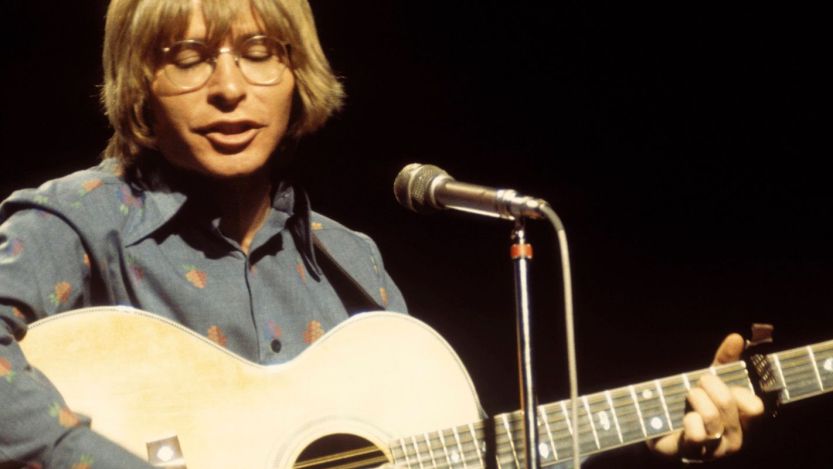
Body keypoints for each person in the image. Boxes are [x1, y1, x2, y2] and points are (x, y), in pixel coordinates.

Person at [0, 0, 762, 467]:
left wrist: (667, 435)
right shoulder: (84, 216)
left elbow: (447, 451)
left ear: (298, 75)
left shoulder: (347, 260)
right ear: (141, 86)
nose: (229, 87)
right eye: (188, 59)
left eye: (260, 54)